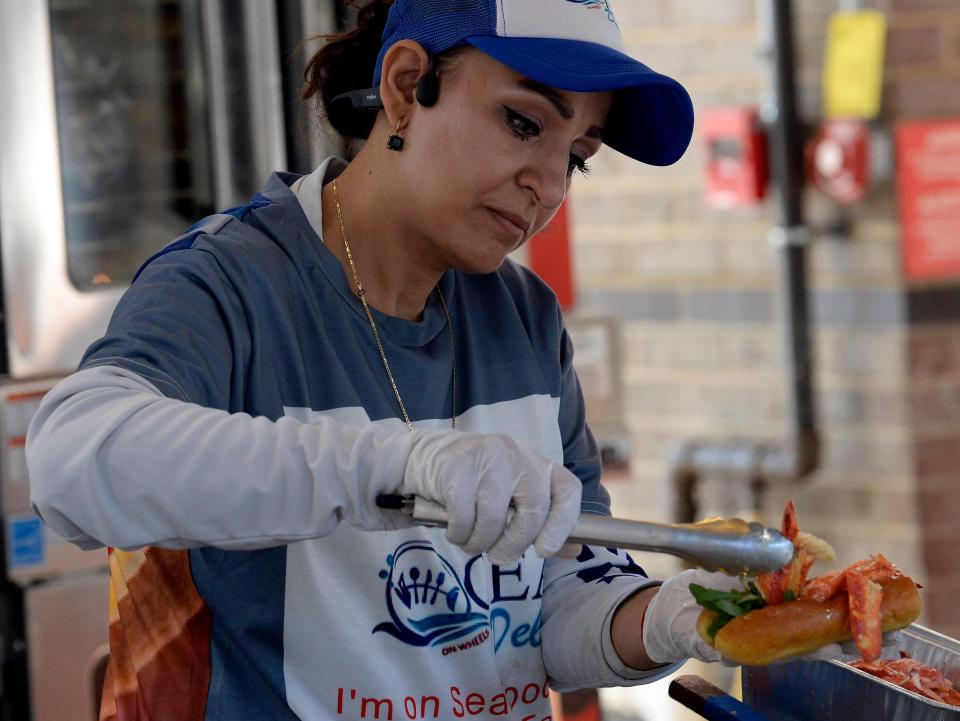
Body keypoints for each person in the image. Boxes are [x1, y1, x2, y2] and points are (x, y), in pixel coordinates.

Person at [26, 1, 773, 719]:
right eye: (523, 122)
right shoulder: (231, 283)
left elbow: (561, 595)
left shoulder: (524, 319)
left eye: (576, 159)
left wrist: (677, 617)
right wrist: (392, 464)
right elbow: (70, 462)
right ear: (407, 85)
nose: (546, 186)